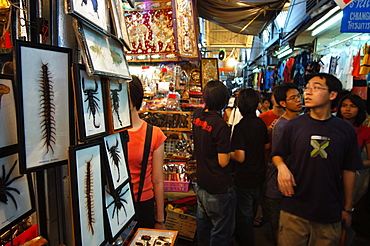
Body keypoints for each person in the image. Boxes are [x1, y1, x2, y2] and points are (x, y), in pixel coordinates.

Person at [271, 73, 363, 246]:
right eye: (306, 88)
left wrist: (348, 208)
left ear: (332, 95)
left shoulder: (345, 130)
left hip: (329, 210)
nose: (307, 92)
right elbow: (277, 154)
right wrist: (282, 167)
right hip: (294, 208)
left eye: (316, 87)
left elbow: (350, 170)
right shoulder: (294, 126)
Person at [192, 80, 236, 246]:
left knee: (203, 227)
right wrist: (233, 153)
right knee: (220, 231)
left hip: (202, 182)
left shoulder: (197, 115)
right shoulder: (220, 125)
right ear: (224, 101)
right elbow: (223, 161)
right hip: (218, 187)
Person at [262, 83, 302, 245]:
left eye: (298, 96)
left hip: (295, 183)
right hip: (279, 183)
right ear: (283, 103)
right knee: (279, 225)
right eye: (293, 98)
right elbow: (280, 157)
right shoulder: (281, 126)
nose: (299, 100)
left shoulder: (300, 122)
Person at [230, 88, 270, 246]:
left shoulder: (240, 127)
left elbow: (240, 157)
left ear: (239, 106)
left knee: (244, 216)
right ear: (257, 105)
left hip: (244, 177)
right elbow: (267, 146)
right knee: (251, 211)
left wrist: (227, 153)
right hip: (259, 175)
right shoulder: (260, 123)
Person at [127, 76, 166, 229]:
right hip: (114, 204)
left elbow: (157, 180)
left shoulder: (154, 134)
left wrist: (160, 220)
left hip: (143, 205)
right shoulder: (109, 134)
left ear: (134, 99)